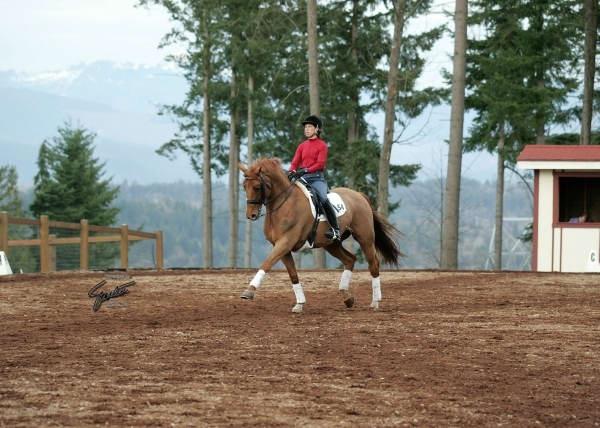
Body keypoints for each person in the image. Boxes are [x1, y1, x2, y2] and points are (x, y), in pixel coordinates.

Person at [288, 115, 341, 241]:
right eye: (305, 127)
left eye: (309, 127)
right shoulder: (302, 146)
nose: (306, 129)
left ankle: (335, 230)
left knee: (323, 198)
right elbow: (295, 162)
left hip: (317, 179)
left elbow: (320, 164)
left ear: (317, 129)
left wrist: (305, 170)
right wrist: (291, 171)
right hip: (302, 178)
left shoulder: (322, 145)